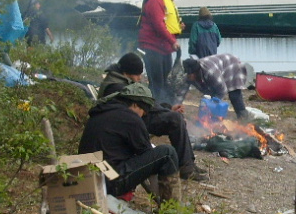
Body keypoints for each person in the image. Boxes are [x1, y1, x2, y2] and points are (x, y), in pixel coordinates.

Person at [98, 52, 207, 181]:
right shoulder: (116, 86)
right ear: (127, 72)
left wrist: (167, 108)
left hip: (135, 117)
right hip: (132, 122)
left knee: (175, 117)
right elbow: (142, 104)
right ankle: (187, 168)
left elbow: (144, 102)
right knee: (176, 120)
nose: (139, 78)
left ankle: (188, 163)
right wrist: (166, 110)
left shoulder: (120, 78)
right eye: (137, 74)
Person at [78, 82, 181, 203]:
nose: (143, 116)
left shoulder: (101, 112)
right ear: (136, 105)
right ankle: (173, 210)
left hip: (89, 178)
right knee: (167, 153)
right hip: (110, 181)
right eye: (144, 111)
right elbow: (147, 155)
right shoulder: (131, 118)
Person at [137, 0, 183, 105]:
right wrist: (172, 40)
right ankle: (154, 108)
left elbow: (165, 23)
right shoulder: (155, 1)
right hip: (151, 46)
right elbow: (158, 24)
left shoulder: (164, 1)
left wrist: (178, 28)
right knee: (157, 82)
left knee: (166, 81)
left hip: (163, 48)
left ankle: (165, 107)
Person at [182, 54, 251, 121]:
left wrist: (212, 105)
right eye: (187, 74)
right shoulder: (188, 76)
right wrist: (176, 105)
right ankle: (210, 119)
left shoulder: (210, 72)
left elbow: (222, 90)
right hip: (219, 67)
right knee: (210, 97)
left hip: (232, 65)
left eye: (190, 74)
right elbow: (181, 92)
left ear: (195, 72)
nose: (188, 76)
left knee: (234, 95)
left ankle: (244, 120)